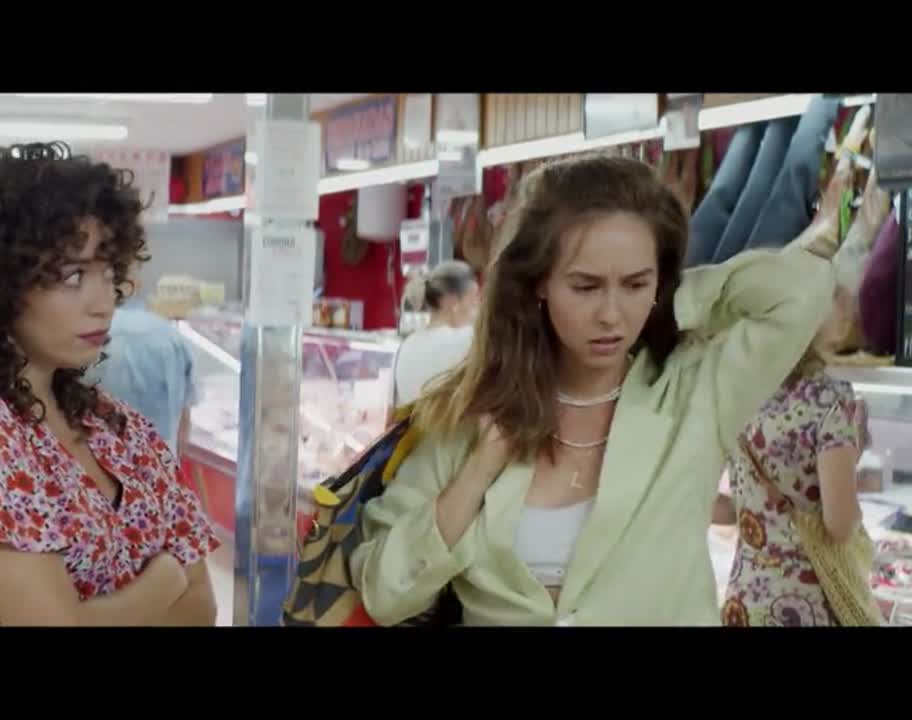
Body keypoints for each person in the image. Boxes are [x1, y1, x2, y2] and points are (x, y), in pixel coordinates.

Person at [349, 154, 839, 626]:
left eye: (635, 284)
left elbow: (801, 292)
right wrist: (478, 471)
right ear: (538, 282)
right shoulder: (474, 415)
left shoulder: (696, 389)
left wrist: (669, 302)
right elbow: (385, 593)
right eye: (585, 286)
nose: (611, 315)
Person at [0, 142, 221, 627]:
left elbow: (202, 609)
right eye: (73, 277)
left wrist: (87, 613)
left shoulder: (116, 427)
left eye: (109, 272)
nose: (103, 302)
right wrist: (164, 580)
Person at [715, 298, 875, 626]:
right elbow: (840, 525)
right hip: (809, 603)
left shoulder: (735, 396)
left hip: (745, 601)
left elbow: (718, 509)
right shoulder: (830, 400)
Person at [86, 293, 197, 456]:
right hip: (158, 452)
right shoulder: (169, 334)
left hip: (100, 451)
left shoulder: (87, 333)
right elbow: (183, 415)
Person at [393, 260, 480, 406]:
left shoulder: (408, 343)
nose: (479, 307)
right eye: (474, 300)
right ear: (454, 302)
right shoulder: (468, 339)